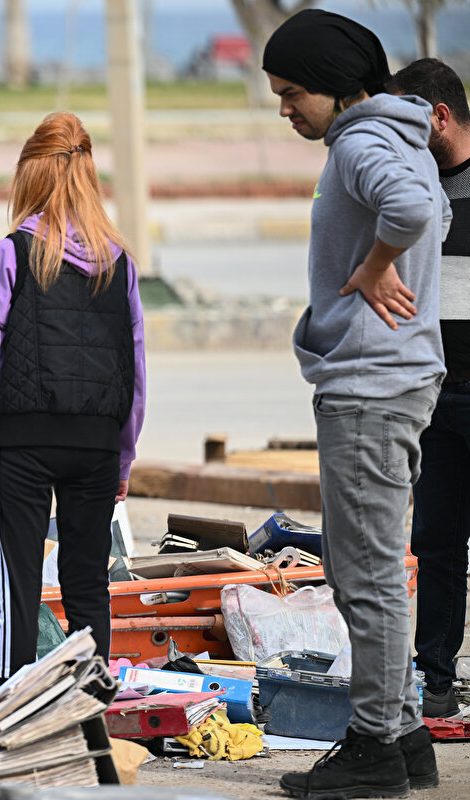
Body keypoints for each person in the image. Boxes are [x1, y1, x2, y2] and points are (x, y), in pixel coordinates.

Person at [262, 10, 450, 797]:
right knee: (360, 565)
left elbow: (412, 212)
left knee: (365, 575)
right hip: (393, 377)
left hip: (370, 385)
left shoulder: (361, 142)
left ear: (338, 88)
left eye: (292, 93)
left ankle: (373, 748)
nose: (284, 109)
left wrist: (374, 266)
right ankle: (403, 735)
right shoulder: (404, 136)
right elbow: (432, 210)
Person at [0, 111, 146, 682]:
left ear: (30, 176)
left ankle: (12, 708)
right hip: (97, 444)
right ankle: (91, 706)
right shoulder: (120, 264)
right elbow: (134, 369)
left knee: (18, 586)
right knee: (88, 583)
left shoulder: (10, 254)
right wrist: (123, 457)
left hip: (23, 442)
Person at [387, 58, 470, 720]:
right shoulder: (410, 190)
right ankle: (435, 679)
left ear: (439, 116)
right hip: (434, 395)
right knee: (436, 542)